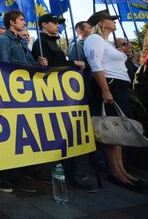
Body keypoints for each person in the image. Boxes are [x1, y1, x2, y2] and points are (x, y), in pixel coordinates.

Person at [31, 14, 95, 193]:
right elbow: (49, 66)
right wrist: (72, 62)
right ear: (44, 24)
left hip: (62, 95)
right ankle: (66, 172)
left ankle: (70, 170)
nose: (58, 26)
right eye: (54, 23)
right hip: (52, 95)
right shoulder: (40, 44)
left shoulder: (53, 42)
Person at [84, 10, 143, 191]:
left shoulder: (105, 41)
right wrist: (106, 90)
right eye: (111, 20)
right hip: (108, 85)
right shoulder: (94, 39)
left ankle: (121, 169)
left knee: (117, 130)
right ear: (102, 23)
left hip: (117, 86)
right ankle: (115, 171)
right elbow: (95, 65)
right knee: (111, 128)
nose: (114, 22)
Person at [0, 10, 48, 193]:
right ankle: (12, 175)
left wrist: (39, 64)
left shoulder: (20, 41)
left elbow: (30, 66)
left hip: (28, 93)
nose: (25, 22)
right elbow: (4, 66)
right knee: (14, 134)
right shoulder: (4, 41)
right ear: (11, 22)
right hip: (14, 95)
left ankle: (28, 168)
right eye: (22, 19)